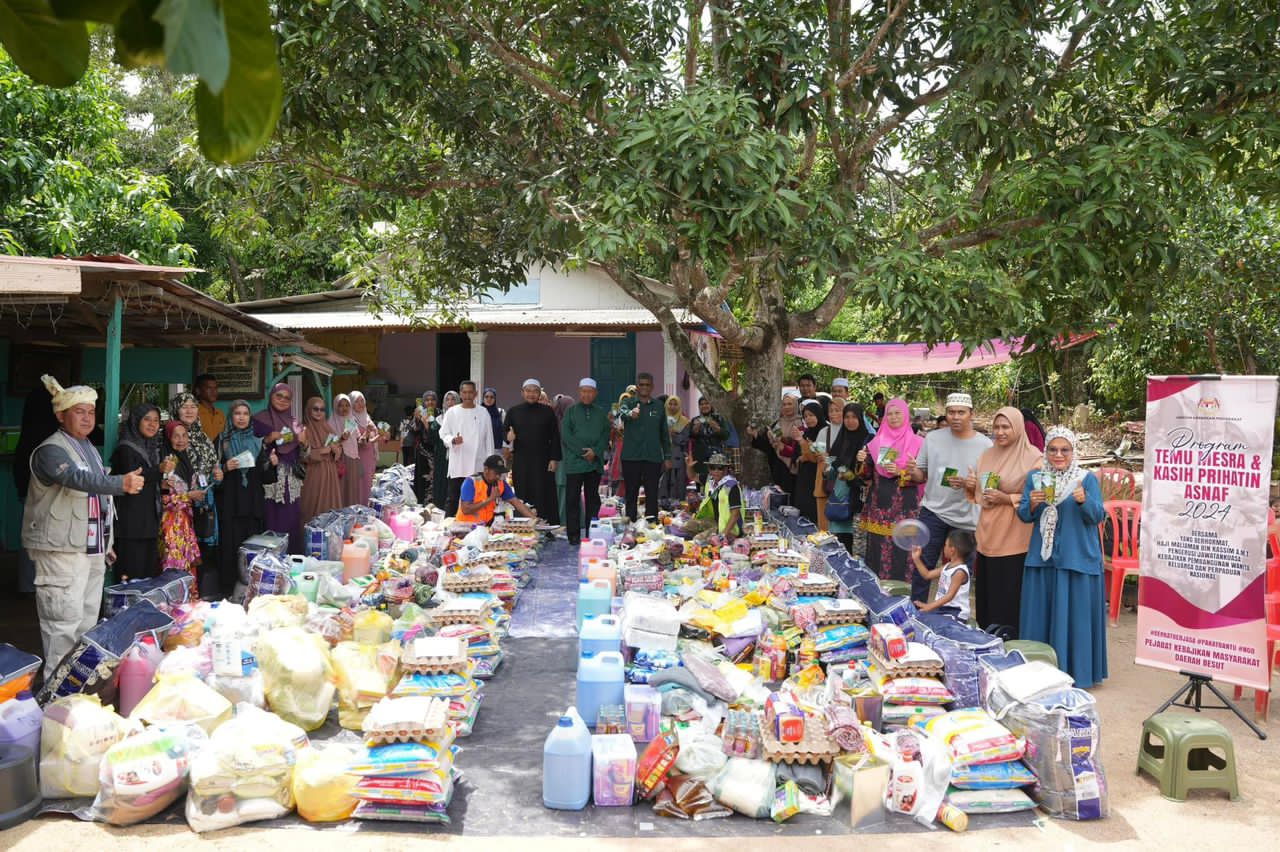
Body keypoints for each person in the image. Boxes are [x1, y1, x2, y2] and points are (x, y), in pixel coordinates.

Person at [23, 376, 144, 681]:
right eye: (79, 412)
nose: (87, 418)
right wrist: (121, 483)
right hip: (61, 549)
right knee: (62, 622)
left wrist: (107, 540)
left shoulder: (86, 445)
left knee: (88, 618)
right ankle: (55, 691)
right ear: (61, 416)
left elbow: (95, 500)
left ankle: (78, 683)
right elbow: (79, 480)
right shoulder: (51, 450)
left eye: (91, 412)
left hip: (90, 548)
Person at [1017, 427, 1108, 688]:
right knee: (1041, 614)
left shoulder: (1084, 479)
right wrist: (1032, 504)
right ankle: (1039, 672)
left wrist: (1083, 501)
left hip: (1076, 559)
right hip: (1043, 559)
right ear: (1045, 451)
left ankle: (1077, 672)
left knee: (1075, 619)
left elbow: (1097, 516)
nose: (1058, 455)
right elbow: (1024, 515)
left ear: (1073, 452)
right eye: (1053, 449)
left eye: (1064, 450)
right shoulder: (1036, 477)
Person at [904, 392, 992, 605]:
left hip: (966, 518)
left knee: (959, 573)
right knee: (921, 564)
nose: (955, 417)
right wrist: (912, 470)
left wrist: (972, 485)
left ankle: (953, 620)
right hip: (933, 512)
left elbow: (992, 485)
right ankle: (916, 613)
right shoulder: (932, 439)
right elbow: (920, 476)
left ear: (971, 414)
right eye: (951, 412)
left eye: (961, 412)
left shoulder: (986, 445)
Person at [964, 407, 1042, 632]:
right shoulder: (987, 455)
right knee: (987, 595)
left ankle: (1009, 643)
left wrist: (1007, 498)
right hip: (988, 534)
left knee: (1009, 596)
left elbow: (1038, 498)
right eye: (996, 427)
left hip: (1015, 537)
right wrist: (973, 486)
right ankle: (986, 641)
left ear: (1017, 427)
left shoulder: (1034, 457)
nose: (1000, 432)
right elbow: (982, 492)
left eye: (1006, 427)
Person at [217, 400, 278, 599]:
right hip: (230, 503)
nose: (241, 417)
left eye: (245, 413)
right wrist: (226, 468)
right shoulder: (221, 441)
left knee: (252, 547)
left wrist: (272, 464)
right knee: (230, 547)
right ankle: (229, 592)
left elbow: (266, 478)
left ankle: (253, 589)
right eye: (237, 413)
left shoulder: (258, 441)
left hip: (252, 504)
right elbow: (212, 475)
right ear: (231, 416)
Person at [859, 398, 923, 580]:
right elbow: (866, 476)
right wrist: (862, 460)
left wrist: (902, 471)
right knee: (877, 552)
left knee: (902, 553)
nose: (893, 417)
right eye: (889, 414)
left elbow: (924, 477)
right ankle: (875, 598)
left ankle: (901, 598)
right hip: (879, 507)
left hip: (905, 508)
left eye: (898, 413)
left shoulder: (918, 443)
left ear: (906, 415)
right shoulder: (876, 443)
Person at [112, 402, 173, 579]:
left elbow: (149, 485)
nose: (152, 424)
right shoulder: (125, 448)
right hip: (130, 525)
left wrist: (163, 488)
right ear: (136, 421)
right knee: (131, 576)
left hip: (149, 524)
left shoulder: (152, 448)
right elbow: (134, 478)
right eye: (147, 419)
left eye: (156, 420)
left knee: (147, 575)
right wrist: (159, 470)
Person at [169, 392, 222, 593]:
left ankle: (199, 591)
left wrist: (218, 474)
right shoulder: (171, 437)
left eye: (193, 406)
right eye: (185, 406)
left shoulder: (203, 438)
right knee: (182, 550)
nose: (190, 410)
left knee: (204, 547)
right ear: (176, 409)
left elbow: (214, 467)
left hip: (205, 499)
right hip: (179, 502)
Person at [15, 384, 63, 594]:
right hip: (48, 490)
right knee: (44, 538)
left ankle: (26, 585)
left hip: (27, 487)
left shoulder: (30, 428)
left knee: (30, 535)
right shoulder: (52, 434)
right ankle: (41, 585)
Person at [253, 383, 305, 553]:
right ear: (271, 396)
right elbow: (251, 448)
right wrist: (267, 440)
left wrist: (304, 443)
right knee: (272, 518)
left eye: (287, 398)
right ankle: (271, 559)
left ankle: (291, 556)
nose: (283, 400)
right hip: (271, 479)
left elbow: (303, 454)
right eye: (279, 396)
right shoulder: (260, 419)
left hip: (292, 479)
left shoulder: (295, 423)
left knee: (292, 518)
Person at [503, 378, 562, 523]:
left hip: (543, 461)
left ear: (539, 393)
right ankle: (524, 527)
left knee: (544, 493)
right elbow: (504, 434)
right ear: (522, 393)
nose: (531, 394)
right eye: (528, 391)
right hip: (522, 461)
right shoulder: (513, 411)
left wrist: (554, 459)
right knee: (523, 493)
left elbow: (555, 436)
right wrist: (508, 437)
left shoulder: (547, 411)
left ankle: (546, 527)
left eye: (535, 391)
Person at [561, 378, 611, 545]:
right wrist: (584, 452)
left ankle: (592, 532)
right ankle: (573, 535)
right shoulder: (571, 411)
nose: (586, 394)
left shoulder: (600, 413)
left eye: (590, 391)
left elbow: (605, 435)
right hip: (575, 463)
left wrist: (595, 452)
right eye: (584, 391)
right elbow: (566, 435)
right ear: (579, 392)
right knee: (572, 499)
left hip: (593, 464)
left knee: (592, 498)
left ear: (595, 393)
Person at [617, 372, 671, 522]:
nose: (645, 387)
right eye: (641, 384)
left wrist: (667, 456)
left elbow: (664, 434)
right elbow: (619, 414)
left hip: (652, 457)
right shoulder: (628, 403)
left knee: (652, 492)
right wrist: (629, 414)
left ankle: (651, 523)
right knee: (631, 492)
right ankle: (630, 523)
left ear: (652, 387)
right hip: (631, 456)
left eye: (648, 385)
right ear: (637, 386)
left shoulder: (659, 406)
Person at [440, 381, 496, 515]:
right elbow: (443, 433)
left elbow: (489, 440)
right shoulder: (452, 412)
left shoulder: (483, 412)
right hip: (458, 463)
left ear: (475, 394)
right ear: (460, 394)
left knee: (478, 498)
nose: (467, 395)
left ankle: (480, 526)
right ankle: (449, 526)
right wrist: (452, 440)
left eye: (470, 392)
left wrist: (490, 464)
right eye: (464, 392)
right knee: (453, 498)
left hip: (478, 463)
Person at [159, 421, 206, 582]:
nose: (181, 440)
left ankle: (187, 604)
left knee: (187, 568)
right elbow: (163, 498)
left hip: (186, 523)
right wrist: (189, 496)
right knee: (174, 567)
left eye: (184, 435)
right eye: (176, 436)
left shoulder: (186, 460)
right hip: (170, 526)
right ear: (168, 438)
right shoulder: (167, 464)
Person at [827, 403, 871, 553]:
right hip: (840, 497)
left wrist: (850, 475)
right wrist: (827, 466)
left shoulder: (869, 440)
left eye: (854, 417)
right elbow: (832, 469)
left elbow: (870, 472)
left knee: (857, 545)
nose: (850, 421)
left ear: (860, 418)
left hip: (858, 500)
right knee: (840, 542)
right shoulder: (841, 439)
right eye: (847, 417)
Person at [910, 530, 974, 622]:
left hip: (955, 611)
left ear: (952, 550)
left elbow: (949, 596)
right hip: (942, 609)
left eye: (945, 545)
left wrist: (929, 606)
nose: (944, 548)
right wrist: (916, 558)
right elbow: (927, 575)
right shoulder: (947, 566)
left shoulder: (959, 572)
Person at [747, 391, 801, 500]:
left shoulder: (801, 422)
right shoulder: (778, 423)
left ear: (795, 405)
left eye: (790, 404)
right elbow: (768, 445)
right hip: (778, 466)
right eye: (784, 404)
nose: (786, 407)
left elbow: (801, 446)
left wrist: (784, 444)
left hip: (795, 466)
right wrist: (756, 435)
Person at [456, 454, 537, 525]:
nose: (498, 476)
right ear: (486, 469)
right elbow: (466, 509)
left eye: (500, 473)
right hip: (465, 528)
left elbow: (517, 503)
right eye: (496, 473)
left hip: (485, 527)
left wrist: (535, 520)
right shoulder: (471, 482)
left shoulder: (500, 483)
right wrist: (490, 499)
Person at [300, 396, 343, 522]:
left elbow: (338, 454)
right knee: (311, 507)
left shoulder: (329, 429)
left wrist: (337, 451)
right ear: (308, 410)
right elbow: (301, 456)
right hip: (313, 474)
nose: (319, 412)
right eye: (315, 409)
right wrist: (322, 451)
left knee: (330, 505)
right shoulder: (304, 430)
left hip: (330, 475)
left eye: (322, 409)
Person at [793, 400, 828, 525]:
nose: (808, 419)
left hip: (817, 477)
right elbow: (798, 455)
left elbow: (816, 456)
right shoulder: (807, 433)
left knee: (815, 514)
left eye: (811, 415)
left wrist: (803, 444)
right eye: (806, 416)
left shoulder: (825, 432)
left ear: (819, 414)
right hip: (804, 478)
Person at [688, 397, 730, 486]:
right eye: (701, 404)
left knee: (717, 481)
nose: (704, 406)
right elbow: (690, 437)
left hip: (716, 456)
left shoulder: (719, 419)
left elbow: (726, 435)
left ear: (711, 405)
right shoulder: (695, 420)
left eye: (706, 403)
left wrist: (717, 428)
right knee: (701, 482)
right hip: (700, 457)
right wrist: (695, 430)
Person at [330, 394, 363, 507]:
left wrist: (367, 434)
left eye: (347, 405)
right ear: (335, 406)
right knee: (341, 487)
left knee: (352, 487)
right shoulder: (331, 422)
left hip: (353, 458)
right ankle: (340, 512)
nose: (344, 408)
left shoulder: (352, 420)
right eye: (340, 405)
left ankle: (351, 511)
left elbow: (358, 439)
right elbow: (329, 444)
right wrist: (342, 438)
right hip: (339, 459)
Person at [700, 452, 744, 537]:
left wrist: (723, 535)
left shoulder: (731, 486)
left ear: (726, 469)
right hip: (715, 522)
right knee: (687, 526)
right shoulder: (710, 481)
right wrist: (689, 466)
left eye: (720, 468)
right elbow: (693, 476)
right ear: (709, 469)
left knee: (698, 540)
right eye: (713, 468)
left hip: (729, 529)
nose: (716, 471)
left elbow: (735, 514)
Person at [409, 391, 441, 504]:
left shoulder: (440, 414)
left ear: (436, 402)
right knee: (423, 478)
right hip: (423, 453)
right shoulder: (420, 414)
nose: (430, 402)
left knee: (436, 478)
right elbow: (412, 432)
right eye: (427, 400)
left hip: (437, 452)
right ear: (423, 402)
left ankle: (436, 503)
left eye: (433, 400)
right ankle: (423, 503)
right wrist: (416, 418)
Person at [350, 390, 381, 506]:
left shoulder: (367, 418)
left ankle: (364, 508)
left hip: (369, 457)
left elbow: (373, 437)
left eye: (362, 400)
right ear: (351, 404)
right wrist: (368, 433)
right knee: (359, 485)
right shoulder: (350, 420)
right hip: (358, 458)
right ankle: (358, 509)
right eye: (356, 401)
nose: (360, 404)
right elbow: (358, 442)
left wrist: (382, 435)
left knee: (367, 484)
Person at [660, 395, 691, 507]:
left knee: (678, 481)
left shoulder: (685, 422)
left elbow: (685, 439)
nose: (672, 407)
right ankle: (662, 505)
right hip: (663, 455)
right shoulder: (661, 419)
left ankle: (677, 506)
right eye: (670, 404)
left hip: (678, 456)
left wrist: (673, 435)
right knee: (663, 480)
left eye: (675, 404)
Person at [432, 391, 460, 508]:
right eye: (447, 400)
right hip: (442, 455)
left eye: (453, 399)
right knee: (441, 480)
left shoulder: (462, 418)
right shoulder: (438, 420)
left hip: (457, 454)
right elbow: (432, 438)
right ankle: (440, 507)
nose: (450, 402)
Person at [553, 394, 574, 522]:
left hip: (569, 463)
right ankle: (561, 519)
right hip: (561, 463)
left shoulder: (572, 422)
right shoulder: (556, 424)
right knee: (561, 490)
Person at [194, 373, 225, 443]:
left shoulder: (220, 413)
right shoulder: (193, 413)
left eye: (215, 388)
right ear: (198, 391)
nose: (213, 391)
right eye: (209, 388)